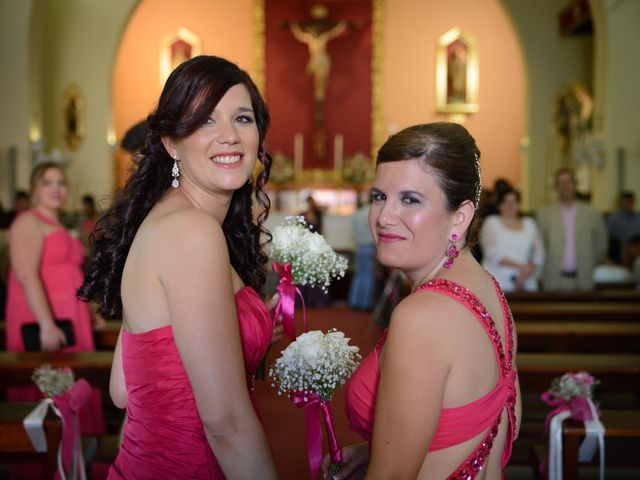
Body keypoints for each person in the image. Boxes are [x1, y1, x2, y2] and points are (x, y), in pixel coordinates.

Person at [78, 55, 278, 478]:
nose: (228, 136)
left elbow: (122, 390)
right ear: (171, 142)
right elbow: (226, 424)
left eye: (242, 118)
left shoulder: (168, 219)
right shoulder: (192, 233)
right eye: (205, 120)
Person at [325, 122, 521, 479]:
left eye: (410, 199)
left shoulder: (421, 317)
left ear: (459, 217)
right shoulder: (488, 289)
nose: (384, 217)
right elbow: (460, 424)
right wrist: (379, 450)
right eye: (379, 196)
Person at [5, 163, 98, 352]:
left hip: (69, 313)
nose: (56, 188)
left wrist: (90, 313)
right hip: (45, 317)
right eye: (47, 183)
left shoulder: (57, 225)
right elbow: (26, 276)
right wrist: (47, 324)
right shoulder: (28, 221)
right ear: (34, 190)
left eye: (61, 182)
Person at [536, 168, 607, 291]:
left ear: (575, 185)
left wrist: (587, 262)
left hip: (584, 280)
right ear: (555, 187)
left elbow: (601, 246)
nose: (565, 186)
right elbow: (539, 246)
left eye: (568, 182)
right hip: (553, 280)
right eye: (560, 183)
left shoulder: (592, 213)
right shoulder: (544, 214)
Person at [479, 187, 545, 292]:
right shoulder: (491, 222)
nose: (510, 205)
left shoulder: (530, 223)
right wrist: (523, 267)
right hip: (497, 283)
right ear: (499, 205)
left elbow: (539, 252)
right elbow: (492, 254)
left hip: (526, 281)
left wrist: (528, 271)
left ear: (519, 204)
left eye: (514, 201)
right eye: (506, 202)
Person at [348, 200, 376, 310]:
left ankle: (354, 301)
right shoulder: (371, 212)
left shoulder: (358, 213)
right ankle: (365, 303)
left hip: (359, 247)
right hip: (369, 247)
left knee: (359, 275)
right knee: (368, 276)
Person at [606, 191, 640, 265]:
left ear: (634, 202)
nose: (628, 204)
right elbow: (607, 238)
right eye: (625, 201)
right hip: (619, 255)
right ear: (621, 203)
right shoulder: (613, 219)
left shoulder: (638, 218)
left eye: (630, 201)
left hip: (637, 254)